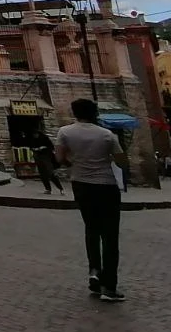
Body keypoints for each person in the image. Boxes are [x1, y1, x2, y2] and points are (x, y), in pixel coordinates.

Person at [55, 98, 129, 303]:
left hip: (81, 184)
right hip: (106, 186)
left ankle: (94, 272)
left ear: (75, 112)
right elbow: (122, 162)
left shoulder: (65, 132)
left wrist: (76, 162)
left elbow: (60, 158)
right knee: (110, 236)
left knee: (91, 229)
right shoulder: (107, 135)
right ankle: (109, 286)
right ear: (95, 113)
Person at [31, 129, 64, 195]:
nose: (35, 136)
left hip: (46, 157)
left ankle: (60, 188)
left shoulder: (45, 138)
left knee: (50, 173)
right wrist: (35, 149)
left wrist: (43, 147)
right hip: (38, 157)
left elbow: (51, 147)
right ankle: (48, 189)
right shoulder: (33, 140)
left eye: (36, 134)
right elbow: (31, 147)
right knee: (42, 174)